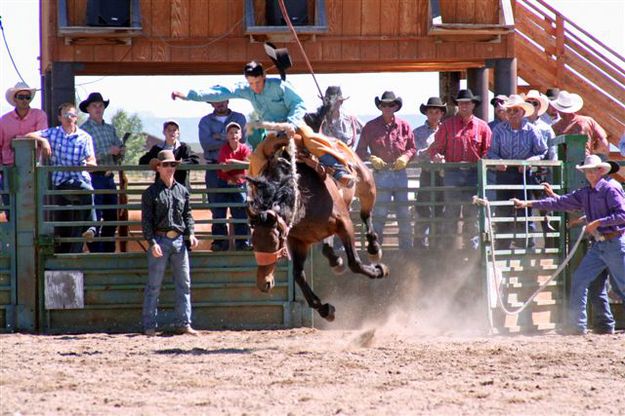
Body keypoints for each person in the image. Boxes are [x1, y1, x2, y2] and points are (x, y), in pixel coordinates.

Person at [171, 61, 355, 187]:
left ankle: (339, 171)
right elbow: (221, 92)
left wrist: (291, 123)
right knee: (257, 157)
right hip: (274, 131)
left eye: (258, 82)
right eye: (251, 83)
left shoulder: (279, 85)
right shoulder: (247, 90)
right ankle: (260, 194)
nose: (255, 87)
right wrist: (188, 95)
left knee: (311, 138)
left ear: (264, 77)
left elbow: (299, 104)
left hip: (294, 124)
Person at [513, 155, 625, 335]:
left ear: (600, 171)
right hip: (600, 245)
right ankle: (579, 326)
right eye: (587, 171)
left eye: (592, 170)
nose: (589, 173)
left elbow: (622, 215)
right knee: (581, 280)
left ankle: (590, 324)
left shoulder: (611, 189)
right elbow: (560, 202)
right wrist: (528, 203)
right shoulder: (586, 192)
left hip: (614, 242)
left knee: (621, 285)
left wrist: (597, 223)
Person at [25, 103, 98, 253]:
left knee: (80, 212)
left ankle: (84, 238)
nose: (69, 118)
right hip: (62, 180)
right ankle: (92, 227)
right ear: (59, 118)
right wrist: (43, 141)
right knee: (65, 219)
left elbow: (92, 160)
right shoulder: (53, 133)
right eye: (65, 115)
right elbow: (28, 135)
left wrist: (89, 164)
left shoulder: (85, 137)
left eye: (71, 115)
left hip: (81, 178)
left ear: (76, 117)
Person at [141, 149, 199, 336]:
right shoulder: (150, 193)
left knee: (184, 284)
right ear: (158, 167)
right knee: (154, 285)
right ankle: (150, 326)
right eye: (166, 165)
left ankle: (184, 323)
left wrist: (191, 233)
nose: (169, 168)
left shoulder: (182, 191)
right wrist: (151, 242)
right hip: (159, 239)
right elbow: (146, 221)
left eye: (172, 165)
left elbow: (187, 215)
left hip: (179, 241)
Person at [429, 89, 492, 250]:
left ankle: (472, 249)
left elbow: (488, 151)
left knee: (473, 214)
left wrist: (485, 161)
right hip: (453, 172)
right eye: (461, 103)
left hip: (473, 174)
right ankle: (450, 250)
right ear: (457, 105)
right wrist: (436, 156)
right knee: (451, 212)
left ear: (473, 105)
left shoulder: (483, 127)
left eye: (467, 103)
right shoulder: (447, 126)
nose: (463, 105)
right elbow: (436, 148)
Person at [356, 91, 416, 249]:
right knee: (380, 214)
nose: (387, 107)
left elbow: (412, 149)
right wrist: (371, 158)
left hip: (399, 173)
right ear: (380, 107)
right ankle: (376, 248)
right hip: (380, 174)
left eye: (391, 105)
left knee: (403, 213)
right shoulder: (370, 127)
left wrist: (405, 157)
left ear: (396, 106)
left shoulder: (405, 126)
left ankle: (406, 249)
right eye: (384, 105)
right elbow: (359, 151)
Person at [487, 95, 548, 250]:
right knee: (503, 210)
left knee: (525, 211)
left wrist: (529, 162)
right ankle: (502, 247)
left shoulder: (532, 130)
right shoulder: (499, 130)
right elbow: (492, 152)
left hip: (524, 174)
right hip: (504, 173)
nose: (512, 113)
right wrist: (498, 162)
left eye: (515, 110)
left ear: (522, 112)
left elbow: (542, 152)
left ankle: (527, 246)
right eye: (509, 110)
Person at [198, 100, 246, 247]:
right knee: (217, 207)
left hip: (238, 170)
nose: (220, 104)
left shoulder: (239, 118)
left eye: (222, 101)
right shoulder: (205, 121)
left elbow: (243, 140)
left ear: (227, 101)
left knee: (240, 207)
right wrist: (230, 139)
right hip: (215, 169)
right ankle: (220, 242)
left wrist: (219, 136)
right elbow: (206, 144)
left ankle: (243, 242)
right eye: (216, 102)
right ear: (212, 104)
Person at [79, 92, 123, 253]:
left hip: (109, 177)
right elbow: (85, 156)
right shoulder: (83, 130)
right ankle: (96, 250)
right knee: (95, 215)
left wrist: (120, 151)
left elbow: (119, 149)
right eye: (94, 106)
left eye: (100, 105)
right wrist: (108, 151)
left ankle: (108, 250)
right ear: (88, 109)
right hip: (94, 176)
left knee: (112, 216)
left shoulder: (110, 128)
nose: (98, 108)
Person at [0, 82, 48, 217]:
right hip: (9, 167)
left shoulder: (39, 115)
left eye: (27, 97)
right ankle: (12, 237)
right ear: (15, 99)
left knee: (33, 207)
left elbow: (43, 134)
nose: (24, 100)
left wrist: (18, 139)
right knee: (11, 206)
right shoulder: (4, 120)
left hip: (32, 167)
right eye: (21, 97)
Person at [524, 90, 558, 247]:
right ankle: (529, 244)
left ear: (539, 107)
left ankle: (550, 245)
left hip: (541, 174)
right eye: (529, 102)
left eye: (535, 103)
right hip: (523, 174)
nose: (531, 105)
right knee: (525, 209)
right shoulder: (519, 125)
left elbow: (552, 155)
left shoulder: (546, 128)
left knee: (546, 210)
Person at [412, 96, 446, 249]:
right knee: (423, 210)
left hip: (443, 175)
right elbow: (415, 154)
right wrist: (430, 150)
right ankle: (420, 244)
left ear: (441, 113)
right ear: (426, 113)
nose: (434, 114)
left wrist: (443, 159)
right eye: (431, 111)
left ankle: (436, 245)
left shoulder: (446, 130)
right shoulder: (418, 132)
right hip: (426, 174)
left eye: (437, 112)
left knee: (440, 210)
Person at [213, 122, 252, 251]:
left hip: (239, 184)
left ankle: (243, 243)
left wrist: (233, 163)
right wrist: (238, 165)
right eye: (230, 132)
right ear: (227, 135)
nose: (233, 135)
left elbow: (248, 164)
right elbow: (224, 168)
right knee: (219, 213)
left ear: (240, 135)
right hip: (224, 182)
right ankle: (219, 243)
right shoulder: (224, 149)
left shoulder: (244, 148)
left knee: (240, 213)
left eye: (236, 132)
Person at [139, 120, 199, 186]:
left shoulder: (184, 148)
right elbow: (142, 161)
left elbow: (195, 160)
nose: (172, 132)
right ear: (164, 132)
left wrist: (180, 163)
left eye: (174, 130)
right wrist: (157, 163)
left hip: (181, 186)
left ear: (178, 133)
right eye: (169, 130)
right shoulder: (157, 148)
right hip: (161, 187)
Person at [551, 91, 609, 157]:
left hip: (565, 163)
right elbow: (603, 140)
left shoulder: (555, 127)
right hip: (585, 161)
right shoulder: (588, 121)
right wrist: (603, 158)